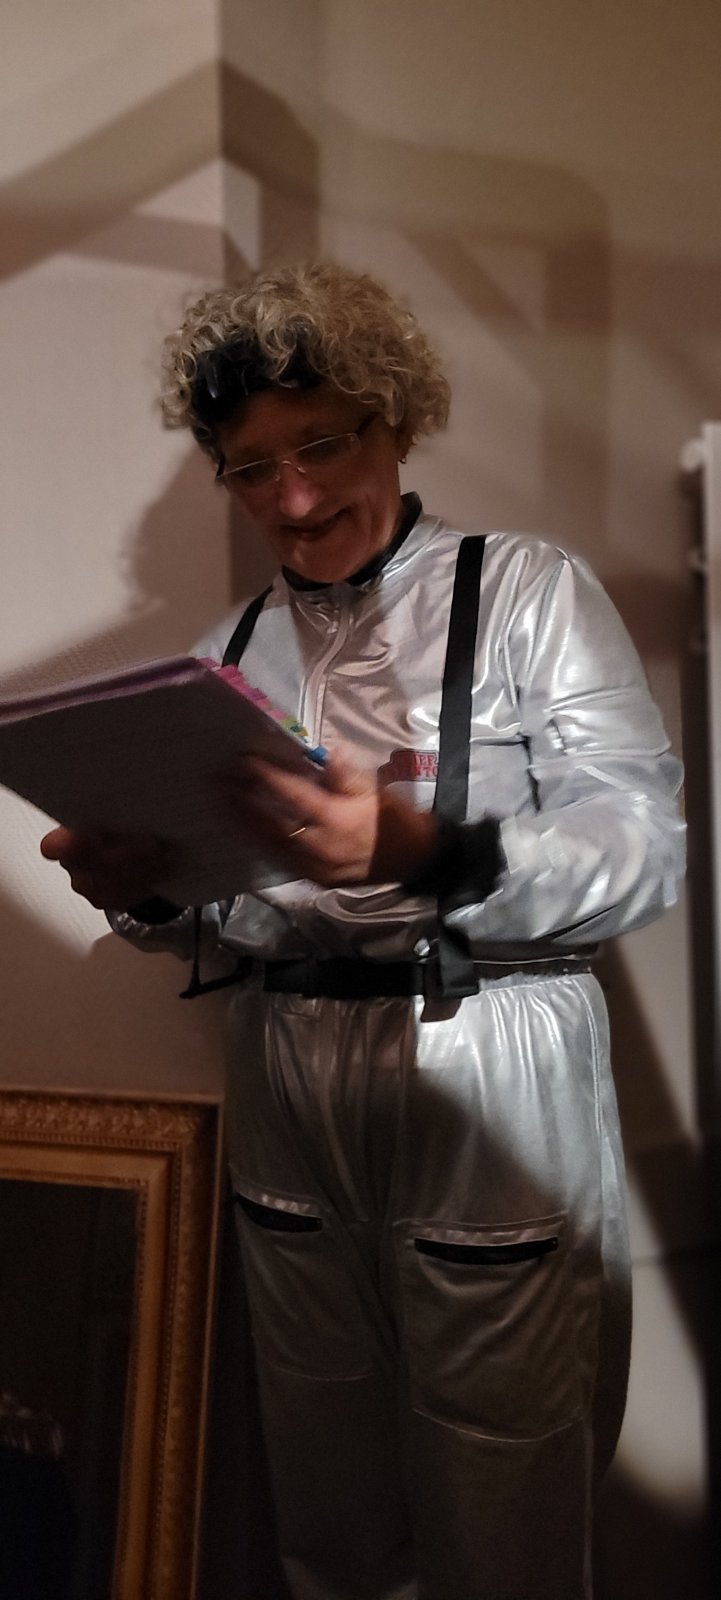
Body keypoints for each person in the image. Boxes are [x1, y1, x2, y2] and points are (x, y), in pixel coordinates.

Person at [40, 262, 686, 1600]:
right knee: (324, 1476)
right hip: (287, 1068)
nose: (292, 499)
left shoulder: (528, 592)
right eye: (250, 468)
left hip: (486, 1055)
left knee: (505, 1484)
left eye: (321, 446)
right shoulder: (229, 653)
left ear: (392, 421)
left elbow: (644, 846)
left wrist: (430, 854)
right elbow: (234, 904)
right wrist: (145, 890)